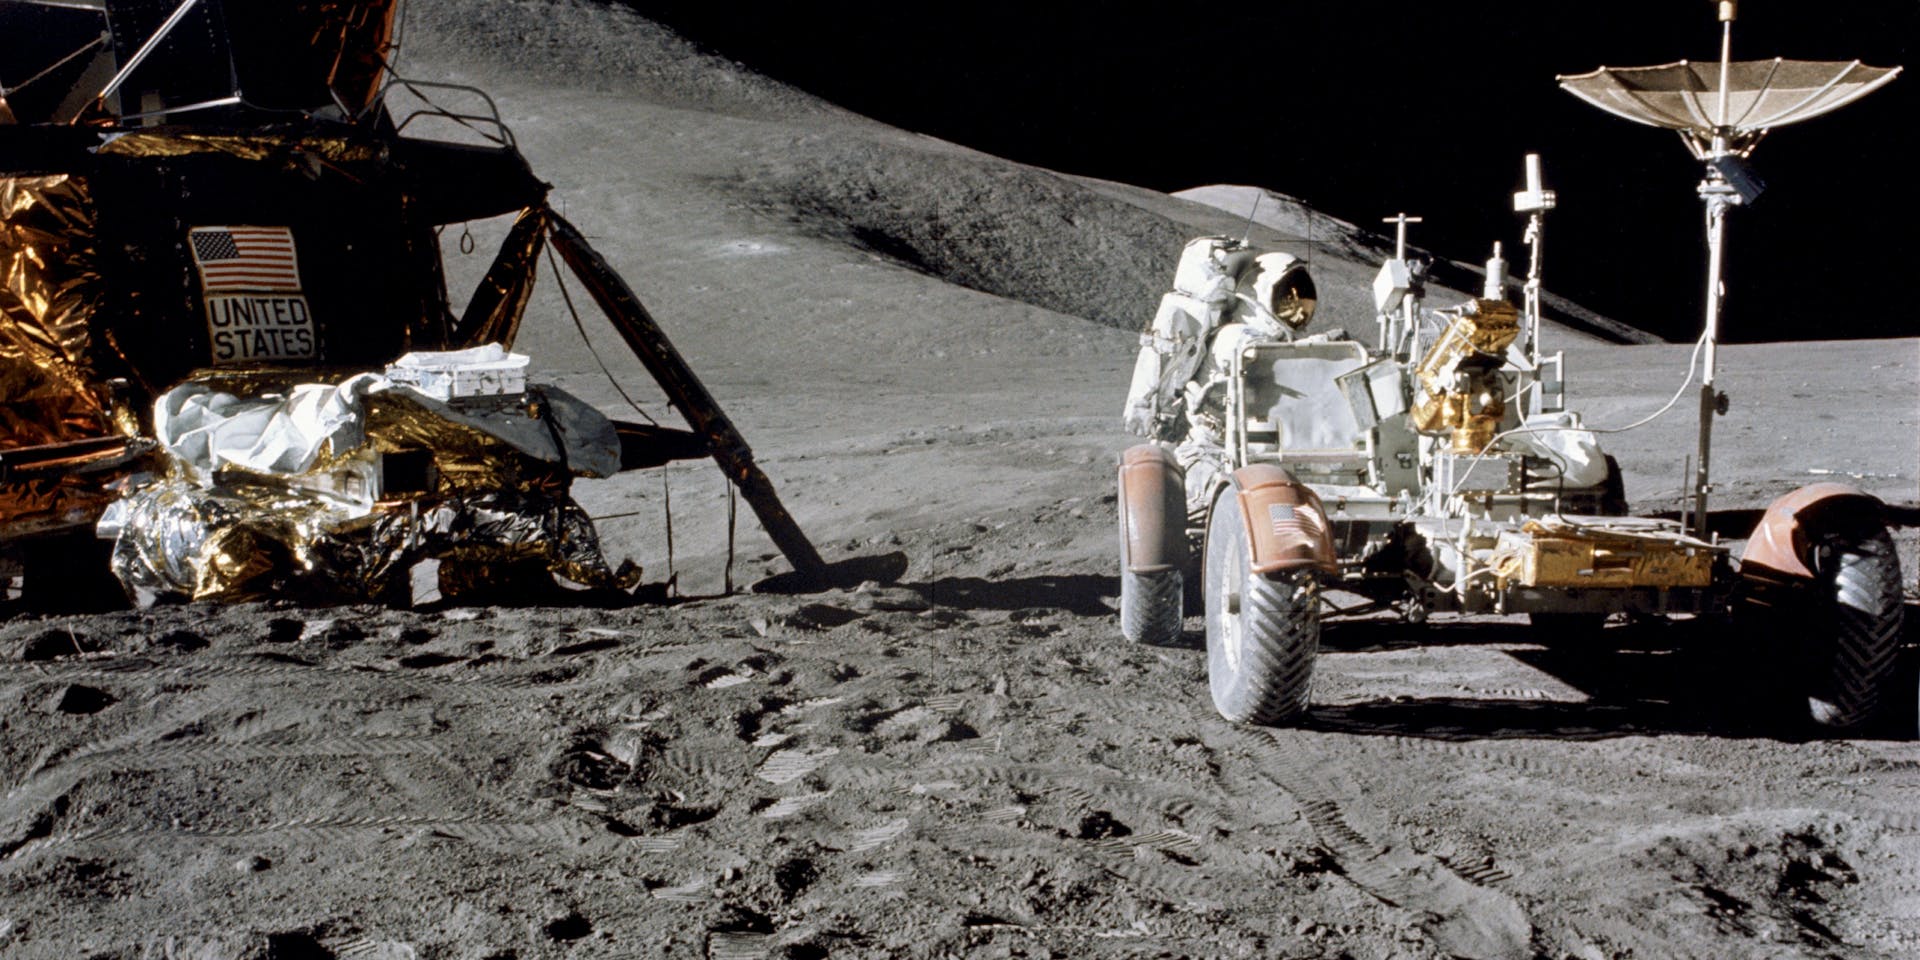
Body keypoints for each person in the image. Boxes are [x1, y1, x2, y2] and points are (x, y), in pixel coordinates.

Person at [1123, 237, 1317, 515]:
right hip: (1214, 451)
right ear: (1260, 294)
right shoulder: (1234, 336)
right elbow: (1252, 351)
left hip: (1265, 447)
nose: (1297, 307)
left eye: (1301, 300)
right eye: (1287, 299)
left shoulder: (1274, 341)